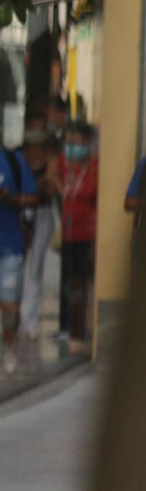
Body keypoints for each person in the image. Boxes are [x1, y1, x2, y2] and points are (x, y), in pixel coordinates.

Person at [56, 121, 98, 353]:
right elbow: (52, 180)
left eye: (77, 142)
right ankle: (67, 328)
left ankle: (79, 331)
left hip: (87, 234)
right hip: (67, 233)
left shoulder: (94, 167)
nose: (72, 146)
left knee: (80, 284)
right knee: (68, 282)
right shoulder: (62, 163)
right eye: (69, 142)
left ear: (87, 142)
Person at [0, 135, 39, 376]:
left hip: (10, 248)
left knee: (9, 306)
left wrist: (10, 198)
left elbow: (33, 198)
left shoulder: (13, 161)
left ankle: (9, 348)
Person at [19, 119, 58, 342]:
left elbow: (50, 188)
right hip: (21, 215)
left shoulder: (50, 161)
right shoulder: (19, 160)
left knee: (35, 269)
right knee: (16, 265)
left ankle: (30, 320)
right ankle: (16, 317)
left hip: (42, 215)